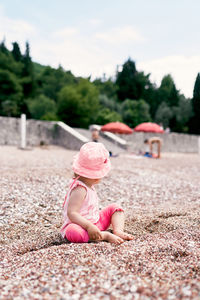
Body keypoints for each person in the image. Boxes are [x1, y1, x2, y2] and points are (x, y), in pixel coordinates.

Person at [61, 142, 133, 244]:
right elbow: (72, 213)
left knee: (115, 208)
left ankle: (118, 231)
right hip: (81, 226)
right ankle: (104, 235)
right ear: (96, 177)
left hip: (96, 221)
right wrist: (89, 226)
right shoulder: (80, 189)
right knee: (73, 232)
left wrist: (93, 224)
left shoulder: (89, 185)